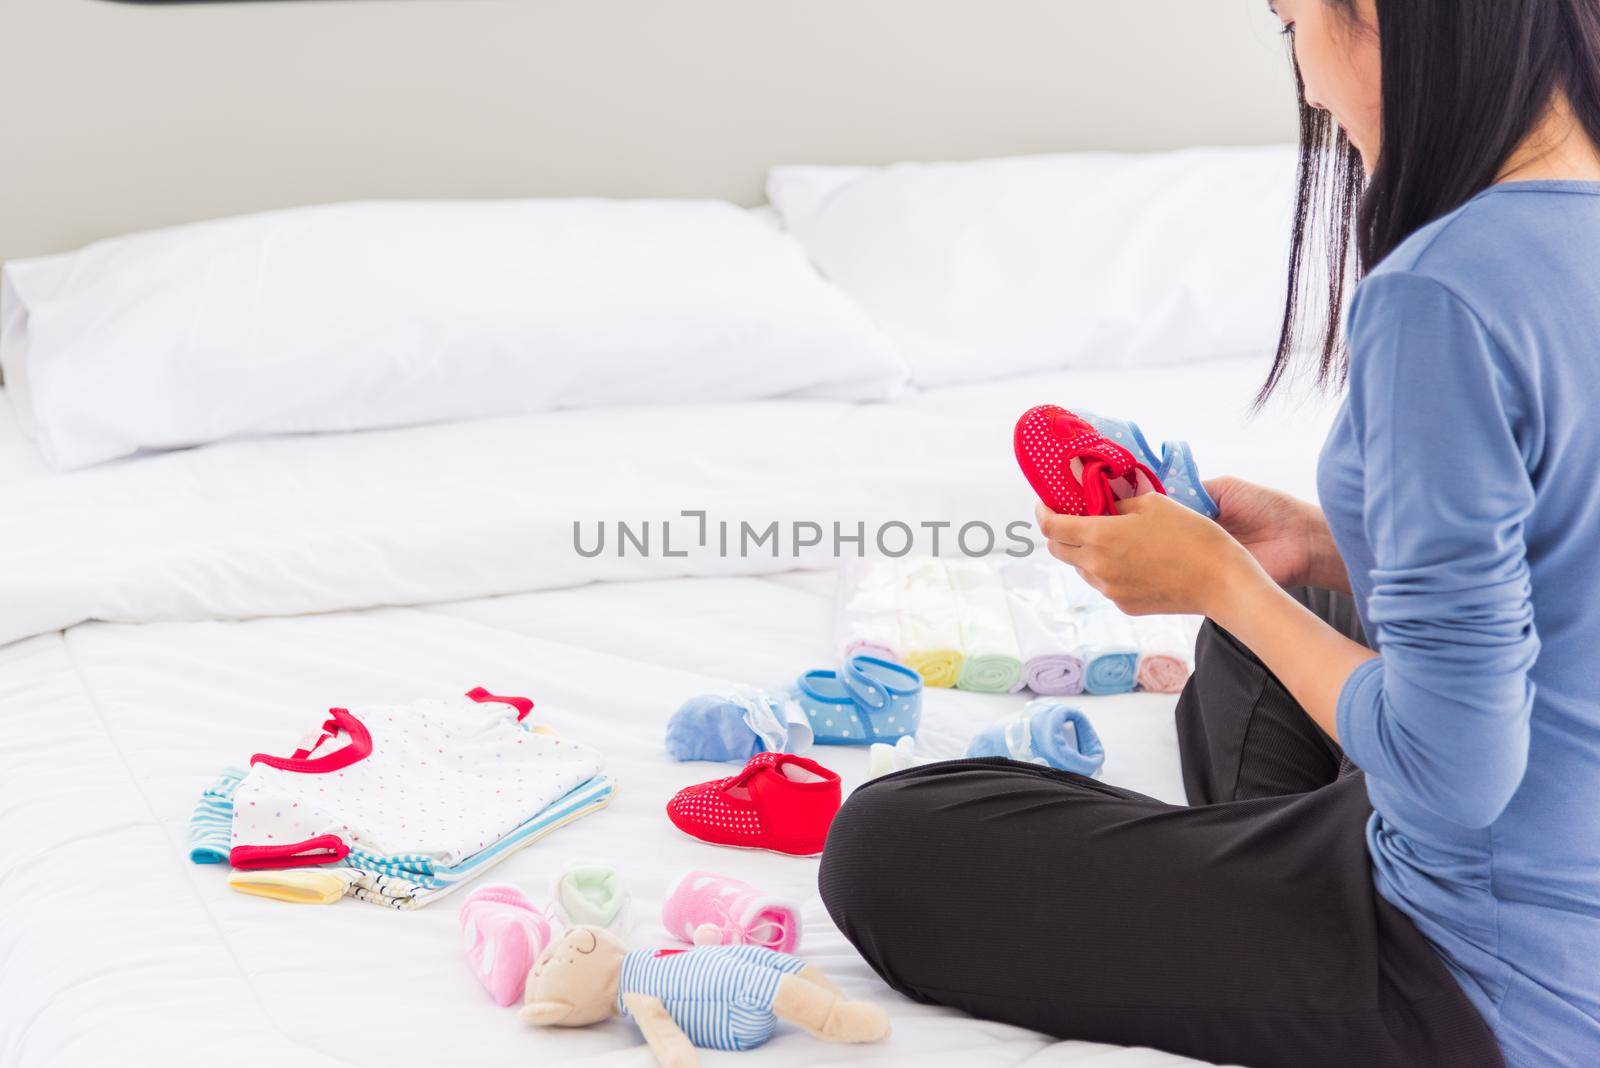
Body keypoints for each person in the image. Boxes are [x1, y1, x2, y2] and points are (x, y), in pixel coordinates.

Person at [818, 3, 1600, 1065]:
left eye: (1290, 29)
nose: (1309, 87)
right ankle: (1239, 884)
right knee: (1285, 619)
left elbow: (1454, 769)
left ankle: (1245, 912)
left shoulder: (1442, 294)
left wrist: (1223, 583)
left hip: (1486, 975)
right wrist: (1311, 548)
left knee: (889, 842)